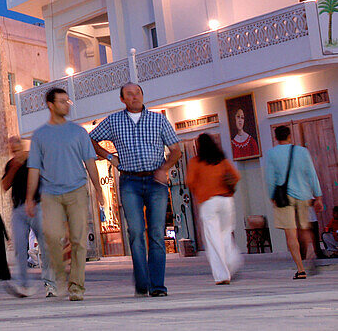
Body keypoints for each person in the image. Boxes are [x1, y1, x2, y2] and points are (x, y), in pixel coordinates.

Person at [89, 82, 182, 297]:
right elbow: (91, 138)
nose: (134, 97)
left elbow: (176, 150)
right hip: (129, 181)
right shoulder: (114, 121)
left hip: (155, 181)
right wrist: (110, 157)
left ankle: (157, 285)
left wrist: (164, 168)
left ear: (142, 95)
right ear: (122, 99)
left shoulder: (158, 120)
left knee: (157, 233)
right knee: (136, 232)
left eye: (137, 93)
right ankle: (142, 282)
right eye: (129, 94)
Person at [26, 87, 102, 302]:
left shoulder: (78, 132)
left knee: (79, 241)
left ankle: (76, 287)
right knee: (51, 238)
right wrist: (30, 198)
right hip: (50, 194)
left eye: (67, 101)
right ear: (50, 105)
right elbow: (34, 169)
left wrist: (98, 189)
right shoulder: (40, 135)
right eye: (61, 101)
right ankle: (58, 276)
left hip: (77, 191)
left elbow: (90, 163)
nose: (66, 104)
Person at [264, 125, 324, 279]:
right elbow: (312, 174)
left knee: (291, 233)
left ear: (276, 138)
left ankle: (301, 268)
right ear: (290, 136)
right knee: (304, 228)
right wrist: (318, 197)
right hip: (303, 194)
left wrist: (272, 197)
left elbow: (270, 178)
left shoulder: (272, 154)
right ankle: (311, 253)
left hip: (284, 198)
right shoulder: (302, 152)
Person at [2, 135, 56, 298]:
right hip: (18, 209)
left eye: (16, 146)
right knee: (19, 247)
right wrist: (14, 167)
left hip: (37, 206)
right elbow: (5, 186)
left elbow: (45, 180)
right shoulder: (11, 164)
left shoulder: (33, 159)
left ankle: (50, 285)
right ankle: (23, 284)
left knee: (45, 247)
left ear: (21, 145)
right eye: (11, 148)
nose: (14, 150)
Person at [185, 132, 241, 284]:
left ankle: (222, 275)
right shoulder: (221, 160)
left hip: (208, 203)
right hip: (226, 201)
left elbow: (189, 182)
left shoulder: (195, 162)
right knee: (225, 234)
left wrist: (200, 190)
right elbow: (236, 176)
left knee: (213, 238)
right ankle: (232, 261)